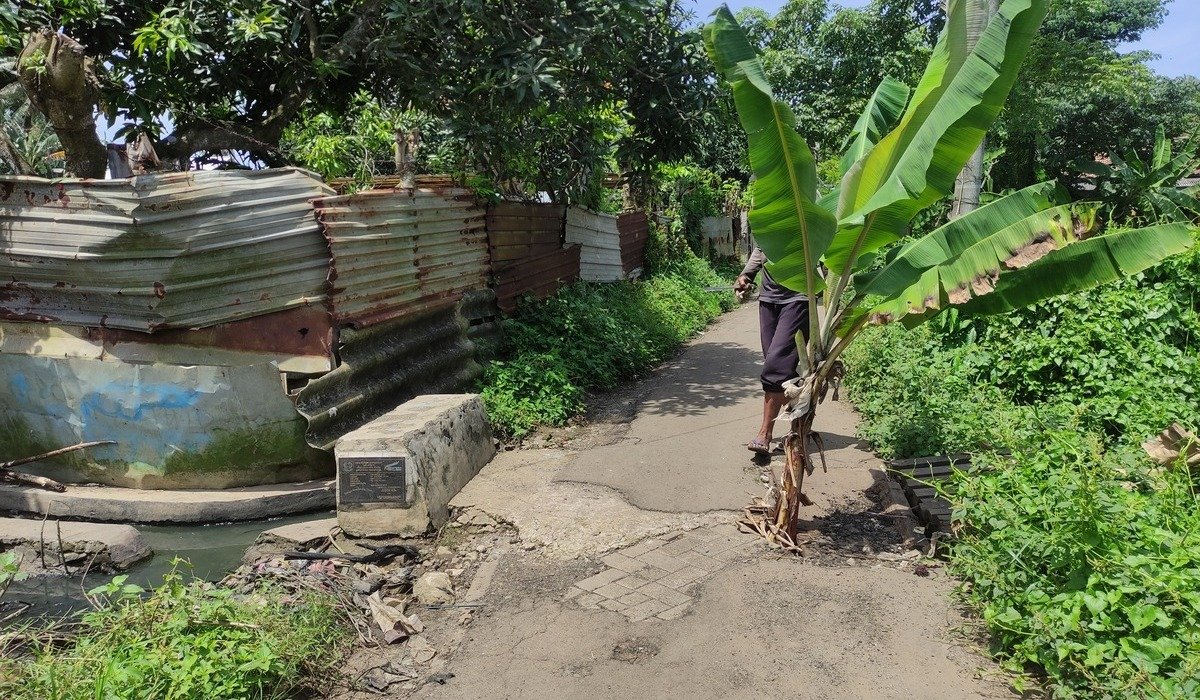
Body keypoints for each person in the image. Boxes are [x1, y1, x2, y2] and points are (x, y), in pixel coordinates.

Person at [734, 246, 810, 454]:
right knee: (774, 363)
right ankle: (799, 396)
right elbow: (762, 245)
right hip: (768, 296)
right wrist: (746, 275)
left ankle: (765, 433)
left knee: (776, 365)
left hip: (799, 297)